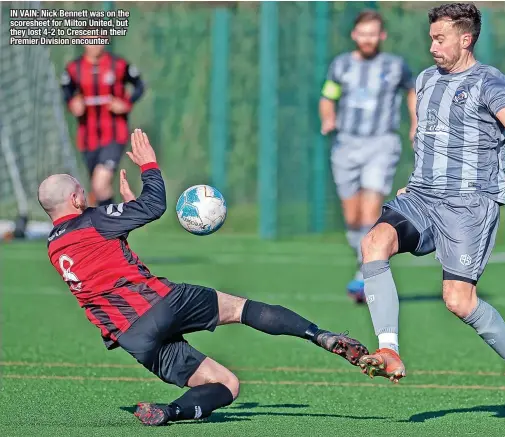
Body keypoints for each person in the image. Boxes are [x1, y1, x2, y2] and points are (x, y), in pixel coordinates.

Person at [39, 129, 369, 427]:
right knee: (241, 309)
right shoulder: (94, 219)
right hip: (161, 305)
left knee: (226, 384)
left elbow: (104, 259)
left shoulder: (55, 247)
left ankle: (167, 412)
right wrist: (149, 165)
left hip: (133, 337)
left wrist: (126, 211)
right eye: (82, 191)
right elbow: (154, 205)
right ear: (75, 199)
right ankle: (319, 335)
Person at [356, 3, 505, 423]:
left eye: (440, 38)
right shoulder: (426, 79)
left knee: (458, 300)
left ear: (465, 39)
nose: (432, 45)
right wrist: (415, 179)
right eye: (431, 37)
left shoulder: (488, 80)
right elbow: (427, 137)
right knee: (374, 242)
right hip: (423, 195)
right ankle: (389, 348)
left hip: (469, 204)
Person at [319, 9, 417, 303]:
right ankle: (363, 261)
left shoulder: (395, 66)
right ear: (354, 35)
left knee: (371, 208)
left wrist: (415, 123)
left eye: (373, 33)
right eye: (363, 33)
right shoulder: (341, 66)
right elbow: (328, 96)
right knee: (352, 216)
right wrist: (328, 118)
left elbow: (412, 91)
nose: (368, 38)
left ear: (381, 36)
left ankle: (365, 273)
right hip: (347, 145)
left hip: (381, 143)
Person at [61, 34, 145, 207]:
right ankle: (109, 228)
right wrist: (72, 103)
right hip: (88, 138)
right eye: (89, 39)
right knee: (99, 189)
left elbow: (139, 85)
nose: (94, 44)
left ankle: (114, 227)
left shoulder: (118, 65)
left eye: (98, 39)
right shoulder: (73, 68)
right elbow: (66, 92)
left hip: (114, 135)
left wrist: (125, 103)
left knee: (100, 184)